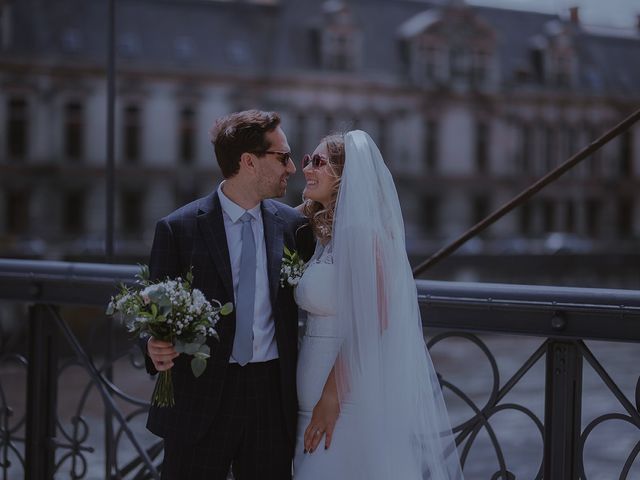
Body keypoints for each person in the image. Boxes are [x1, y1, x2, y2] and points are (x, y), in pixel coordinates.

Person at [143, 110, 313, 479]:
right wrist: (153, 346)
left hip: (271, 396)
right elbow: (153, 313)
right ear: (249, 161)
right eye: (282, 157)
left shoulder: (294, 228)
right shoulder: (178, 229)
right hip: (199, 400)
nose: (291, 168)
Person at [293, 131, 464, 479]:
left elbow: (375, 318)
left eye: (319, 162)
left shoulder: (359, 232)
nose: (307, 168)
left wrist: (331, 397)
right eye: (307, 160)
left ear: (346, 175)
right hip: (312, 388)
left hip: (346, 395)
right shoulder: (326, 233)